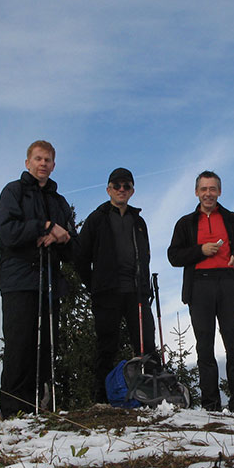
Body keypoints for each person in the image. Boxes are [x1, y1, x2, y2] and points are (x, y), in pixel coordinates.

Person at [167, 170, 234, 412]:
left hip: (228, 284)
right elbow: (173, 256)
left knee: (233, 345)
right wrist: (200, 251)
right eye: (203, 189)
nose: (208, 194)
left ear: (219, 192)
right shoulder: (185, 224)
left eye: (212, 189)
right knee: (205, 347)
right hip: (199, 286)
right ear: (196, 192)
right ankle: (210, 405)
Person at [0, 140, 78, 418]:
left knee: (46, 346)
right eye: (38, 159)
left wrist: (60, 235)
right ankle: (12, 412)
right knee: (19, 345)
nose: (43, 164)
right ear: (28, 162)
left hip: (49, 280)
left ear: (54, 165)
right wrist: (43, 226)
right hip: (17, 278)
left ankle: (38, 407)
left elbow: (73, 246)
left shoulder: (59, 201)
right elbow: (7, 232)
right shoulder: (13, 192)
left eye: (48, 160)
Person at [77, 167, 160, 403]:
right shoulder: (96, 218)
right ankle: (101, 399)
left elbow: (145, 256)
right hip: (107, 293)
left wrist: (144, 286)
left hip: (137, 293)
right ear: (108, 190)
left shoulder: (139, 221)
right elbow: (81, 256)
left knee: (146, 345)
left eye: (126, 186)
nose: (121, 190)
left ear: (132, 191)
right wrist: (93, 285)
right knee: (107, 346)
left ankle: (151, 396)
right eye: (117, 186)